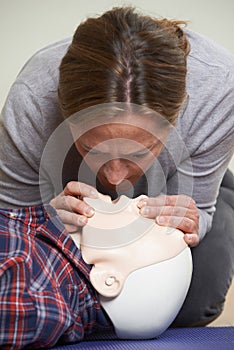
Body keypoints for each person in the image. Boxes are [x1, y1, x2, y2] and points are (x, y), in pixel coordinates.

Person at [0, 6, 234, 348]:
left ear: (176, 118)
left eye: (138, 153)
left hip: (173, 179)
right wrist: (44, 221)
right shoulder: (33, 101)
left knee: (193, 305)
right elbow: (10, 220)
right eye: (93, 149)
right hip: (54, 190)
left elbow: (199, 208)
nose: (114, 176)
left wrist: (195, 219)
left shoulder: (219, 91)